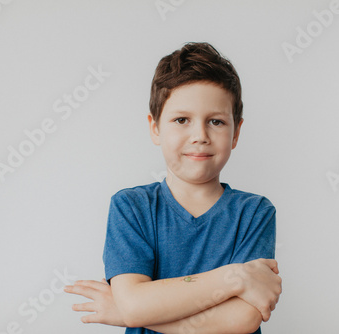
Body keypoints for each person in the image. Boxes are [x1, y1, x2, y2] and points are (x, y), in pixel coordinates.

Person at [64, 42, 282, 334]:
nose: (200, 135)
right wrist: (234, 276)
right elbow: (135, 305)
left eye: (216, 121)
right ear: (155, 127)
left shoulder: (254, 212)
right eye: (182, 120)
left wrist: (130, 314)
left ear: (236, 132)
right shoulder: (131, 207)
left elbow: (241, 319)